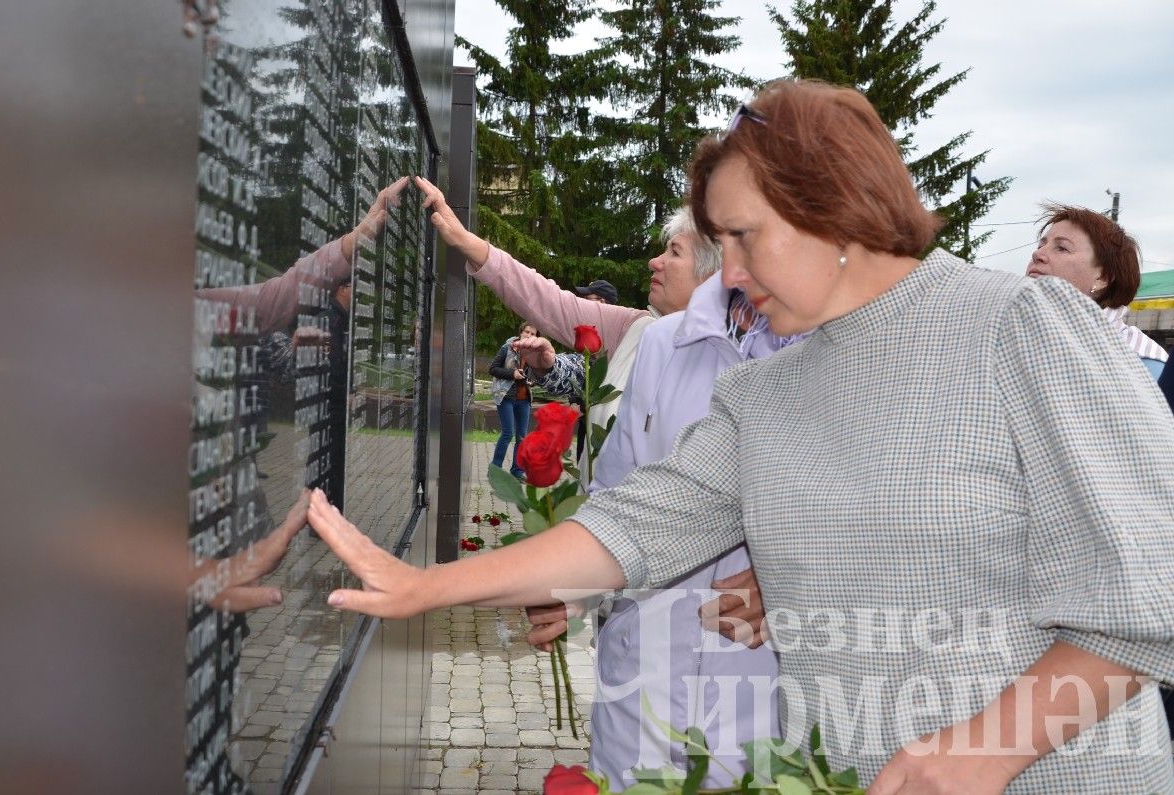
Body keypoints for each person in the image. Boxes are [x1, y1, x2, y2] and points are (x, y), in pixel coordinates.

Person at [309, 82, 1174, 793]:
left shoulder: (1018, 324)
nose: (729, 271)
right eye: (718, 243)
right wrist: (429, 585)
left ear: (831, 203)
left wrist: (983, 749)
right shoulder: (765, 390)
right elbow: (636, 524)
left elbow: (1147, 595)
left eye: (744, 236)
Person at [525, 259, 807, 787]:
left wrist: (789, 581)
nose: (656, 260)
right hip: (642, 674)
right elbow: (617, 493)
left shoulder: (837, 348)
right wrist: (577, 587)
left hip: (754, 682)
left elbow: (883, 522)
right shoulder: (662, 343)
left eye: (673, 249)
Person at [414, 176, 713, 443]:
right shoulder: (633, 327)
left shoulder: (726, 365)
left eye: (674, 252)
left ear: (710, 275)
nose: (654, 262)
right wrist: (466, 241)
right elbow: (546, 299)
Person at [1026, 203, 1168, 378]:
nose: (1037, 254)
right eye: (1041, 245)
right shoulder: (1012, 336)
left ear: (1103, 278)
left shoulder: (1143, 365)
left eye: (1062, 248)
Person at [488, 322, 537, 478]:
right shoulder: (508, 347)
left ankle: (517, 470)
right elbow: (493, 369)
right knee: (508, 433)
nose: (529, 335)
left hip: (524, 398)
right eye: (527, 332)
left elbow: (533, 374)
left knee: (522, 437)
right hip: (506, 396)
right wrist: (512, 374)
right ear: (520, 332)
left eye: (533, 334)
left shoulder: (534, 353)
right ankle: (494, 470)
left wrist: (530, 380)